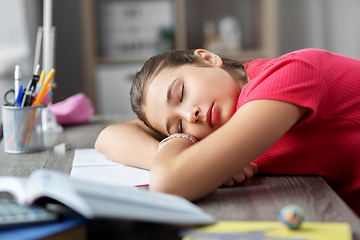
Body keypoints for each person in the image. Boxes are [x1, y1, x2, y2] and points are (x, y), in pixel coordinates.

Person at [95, 48, 360, 216]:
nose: (190, 115)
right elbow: (108, 137)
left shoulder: (289, 74)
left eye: (181, 93)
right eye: (177, 125)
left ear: (208, 59)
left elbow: (168, 183)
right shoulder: (221, 118)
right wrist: (183, 149)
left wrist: (184, 159)